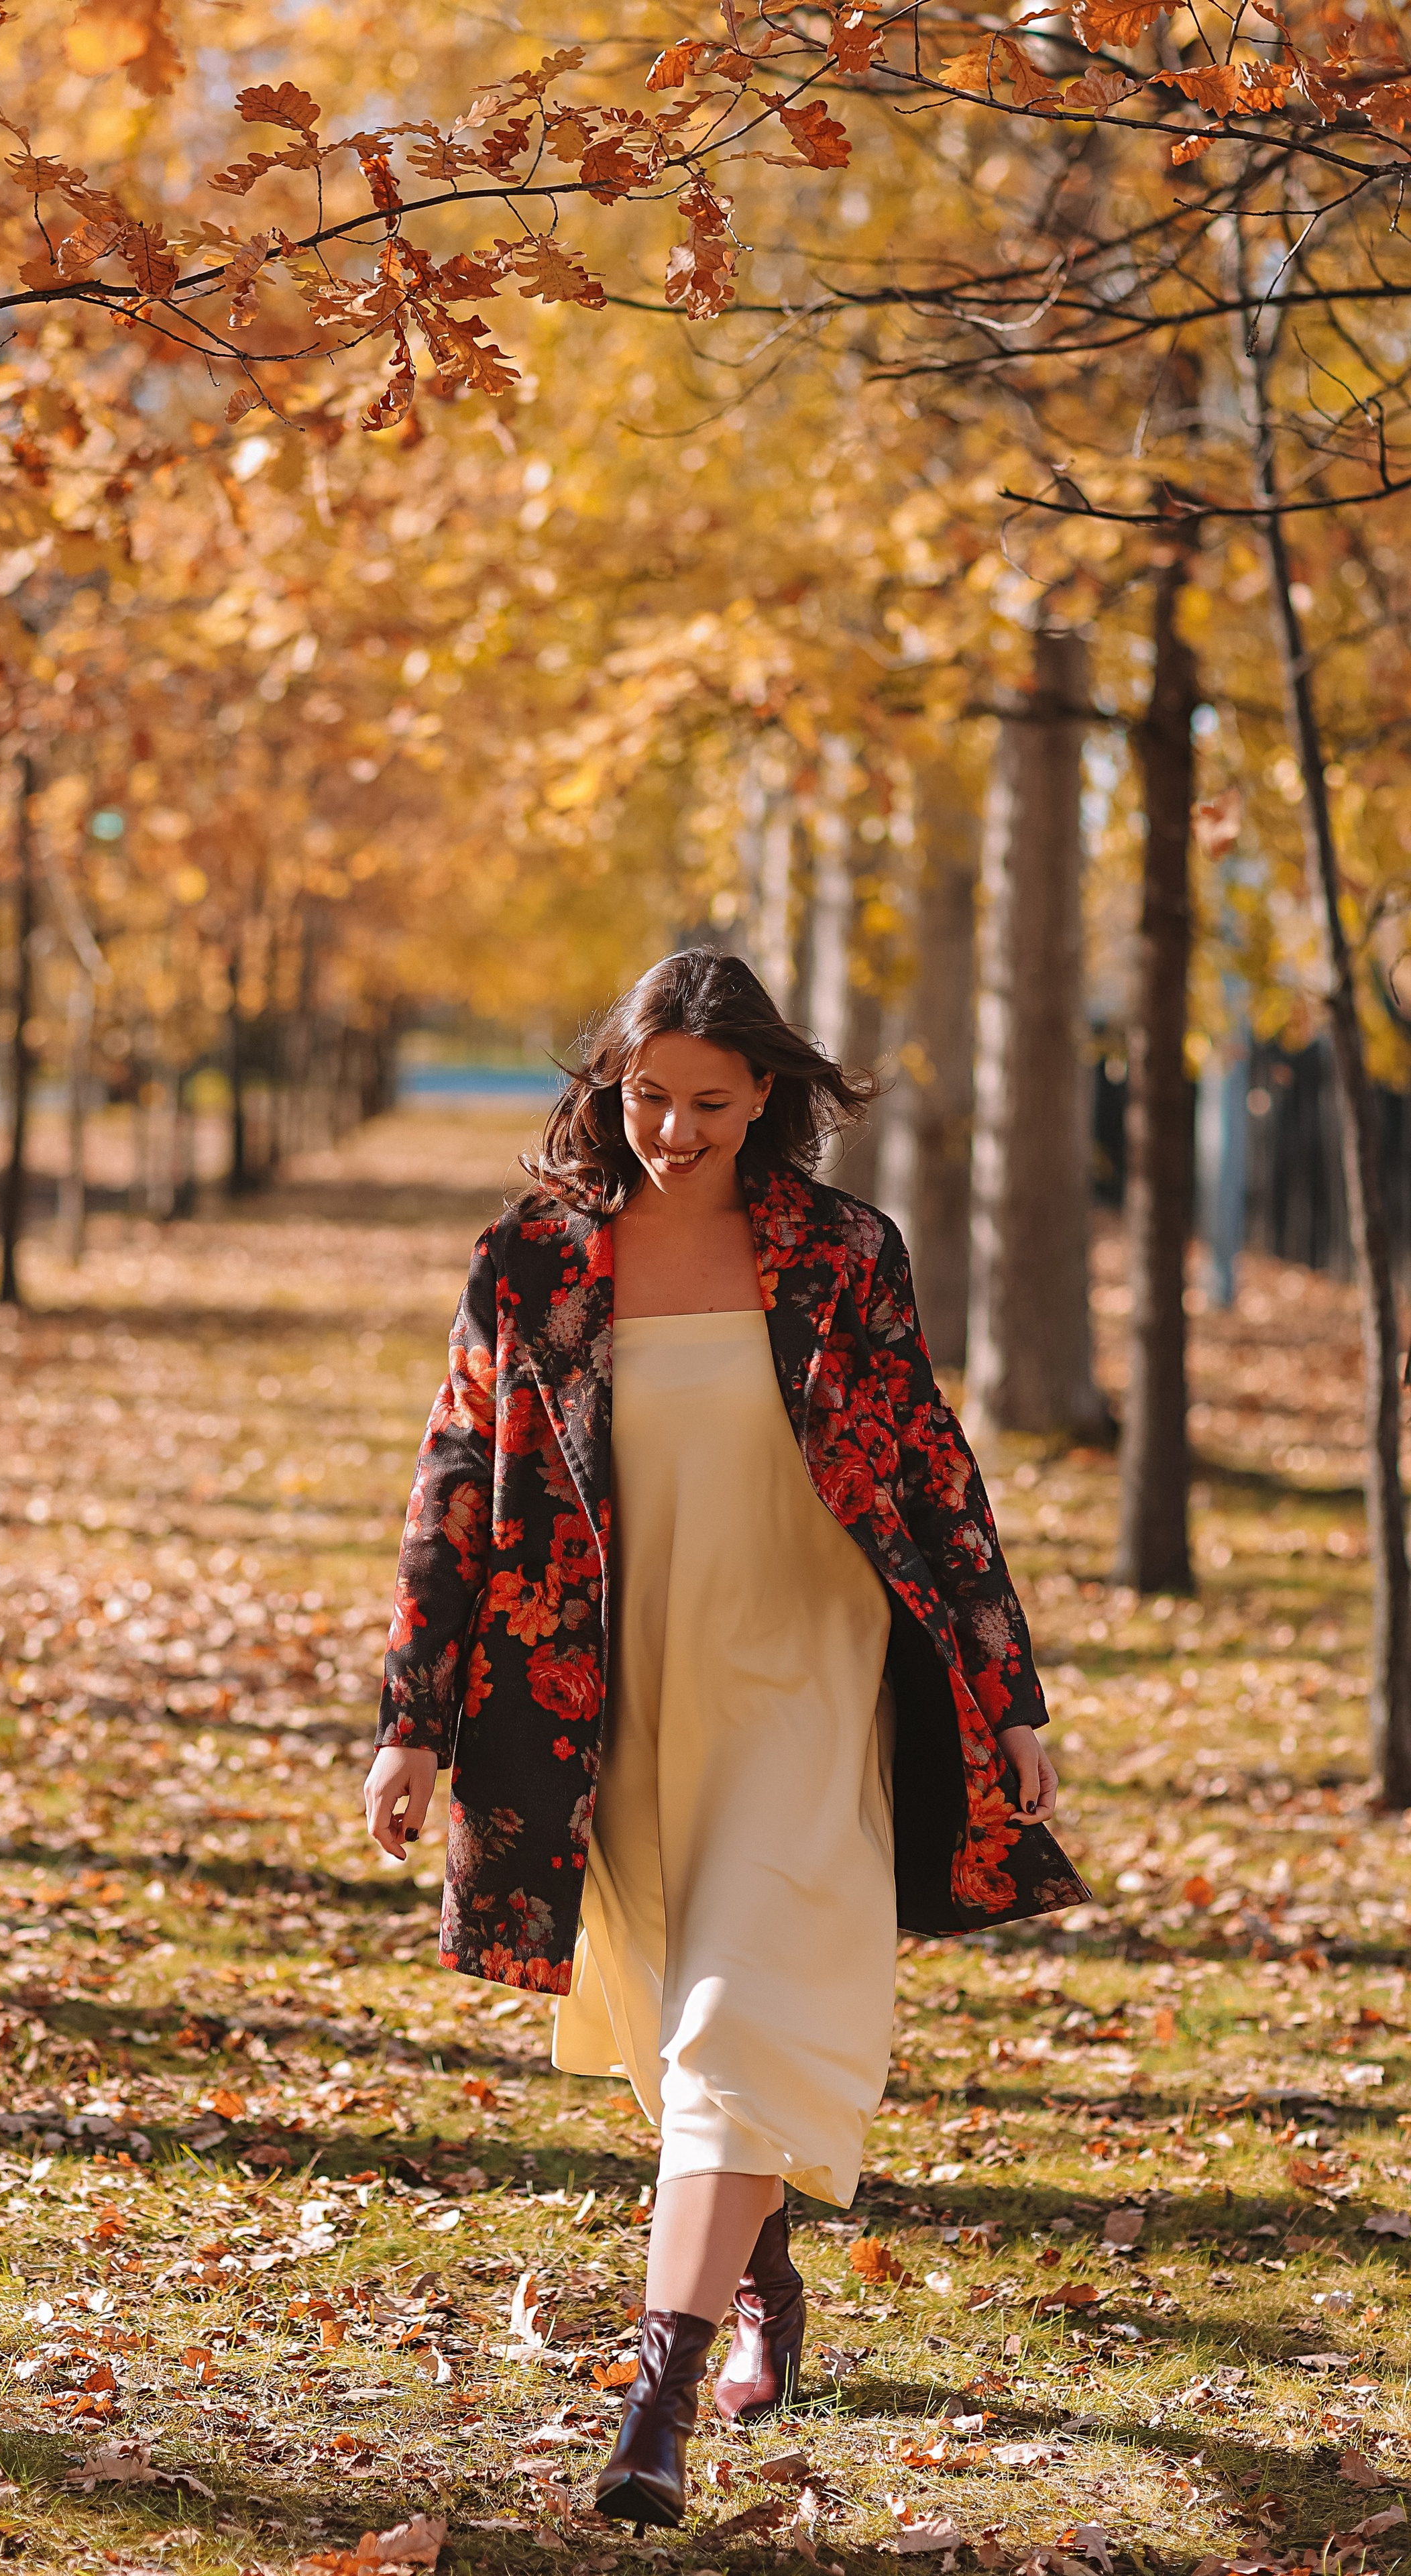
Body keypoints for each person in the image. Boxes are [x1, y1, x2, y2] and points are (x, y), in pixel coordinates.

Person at [363, 951, 1086, 2531]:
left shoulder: (839, 1255)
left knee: (739, 2013)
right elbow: (454, 1489)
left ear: (767, 1096)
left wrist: (1004, 1693)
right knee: (671, 2014)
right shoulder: (534, 1262)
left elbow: (928, 1468)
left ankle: (656, 2398)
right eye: (643, 1099)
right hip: (600, 1698)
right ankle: (756, 2275)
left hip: (805, 1680)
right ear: (606, 1086)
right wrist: (410, 1722)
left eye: (705, 1103)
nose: (671, 1134)